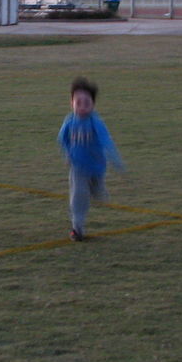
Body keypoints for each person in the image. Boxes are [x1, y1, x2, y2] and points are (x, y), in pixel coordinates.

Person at [57, 76, 124, 242]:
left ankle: (98, 191)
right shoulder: (69, 122)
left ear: (93, 104)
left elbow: (106, 141)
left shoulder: (96, 122)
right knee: (78, 196)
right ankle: (77, 228)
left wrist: (116, 160)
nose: (82, 106)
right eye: (78, 102)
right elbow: (62, 139)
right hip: (78, 167)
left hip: (96, 167)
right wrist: (67, 154)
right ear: (71, 102)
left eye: (86, 103)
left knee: (98, 193)